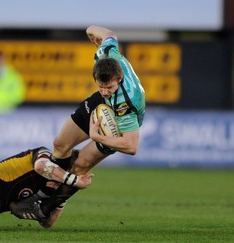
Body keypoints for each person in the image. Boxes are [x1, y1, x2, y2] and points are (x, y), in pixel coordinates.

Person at [10, 25, 145, 220]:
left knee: (80, 164)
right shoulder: (105, 52)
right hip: (100, 104)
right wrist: (91, 31)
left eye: (110, 87)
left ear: (119, 78)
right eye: (101, 86)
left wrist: (96, 136)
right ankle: (45, 192)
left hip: (118, 120)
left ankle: (46, 207)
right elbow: (109, 35)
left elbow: (132, 146)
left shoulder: (126, 102)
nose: (105, 90)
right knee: (60, 144)